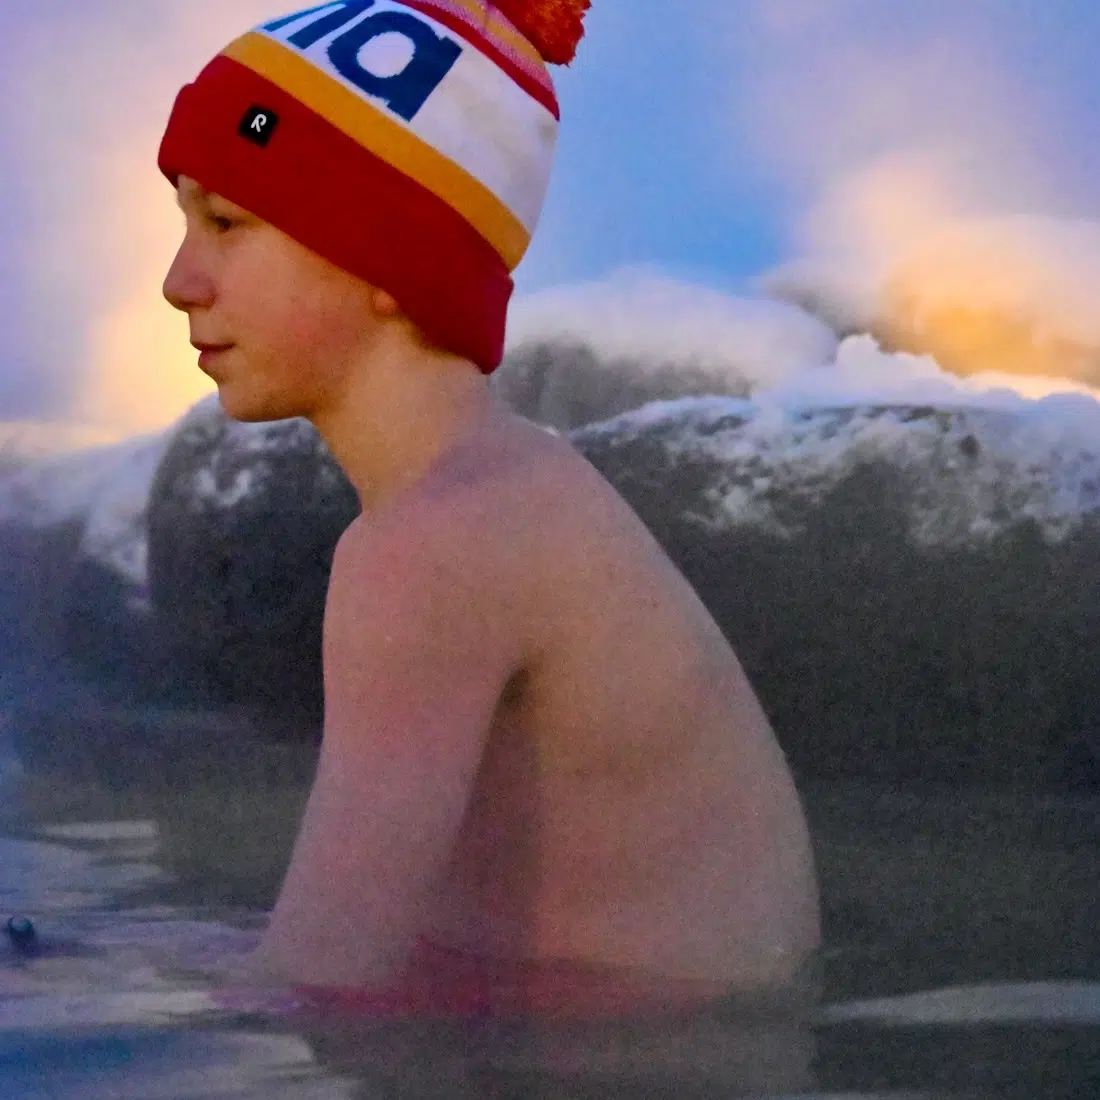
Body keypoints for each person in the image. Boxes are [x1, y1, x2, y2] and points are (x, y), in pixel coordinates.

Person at [158, 0, 820, 1015]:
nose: (177, 281)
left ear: (384, 253)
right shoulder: (496, 496)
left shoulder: (438, 542)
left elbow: (313, 985)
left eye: (226, 223)